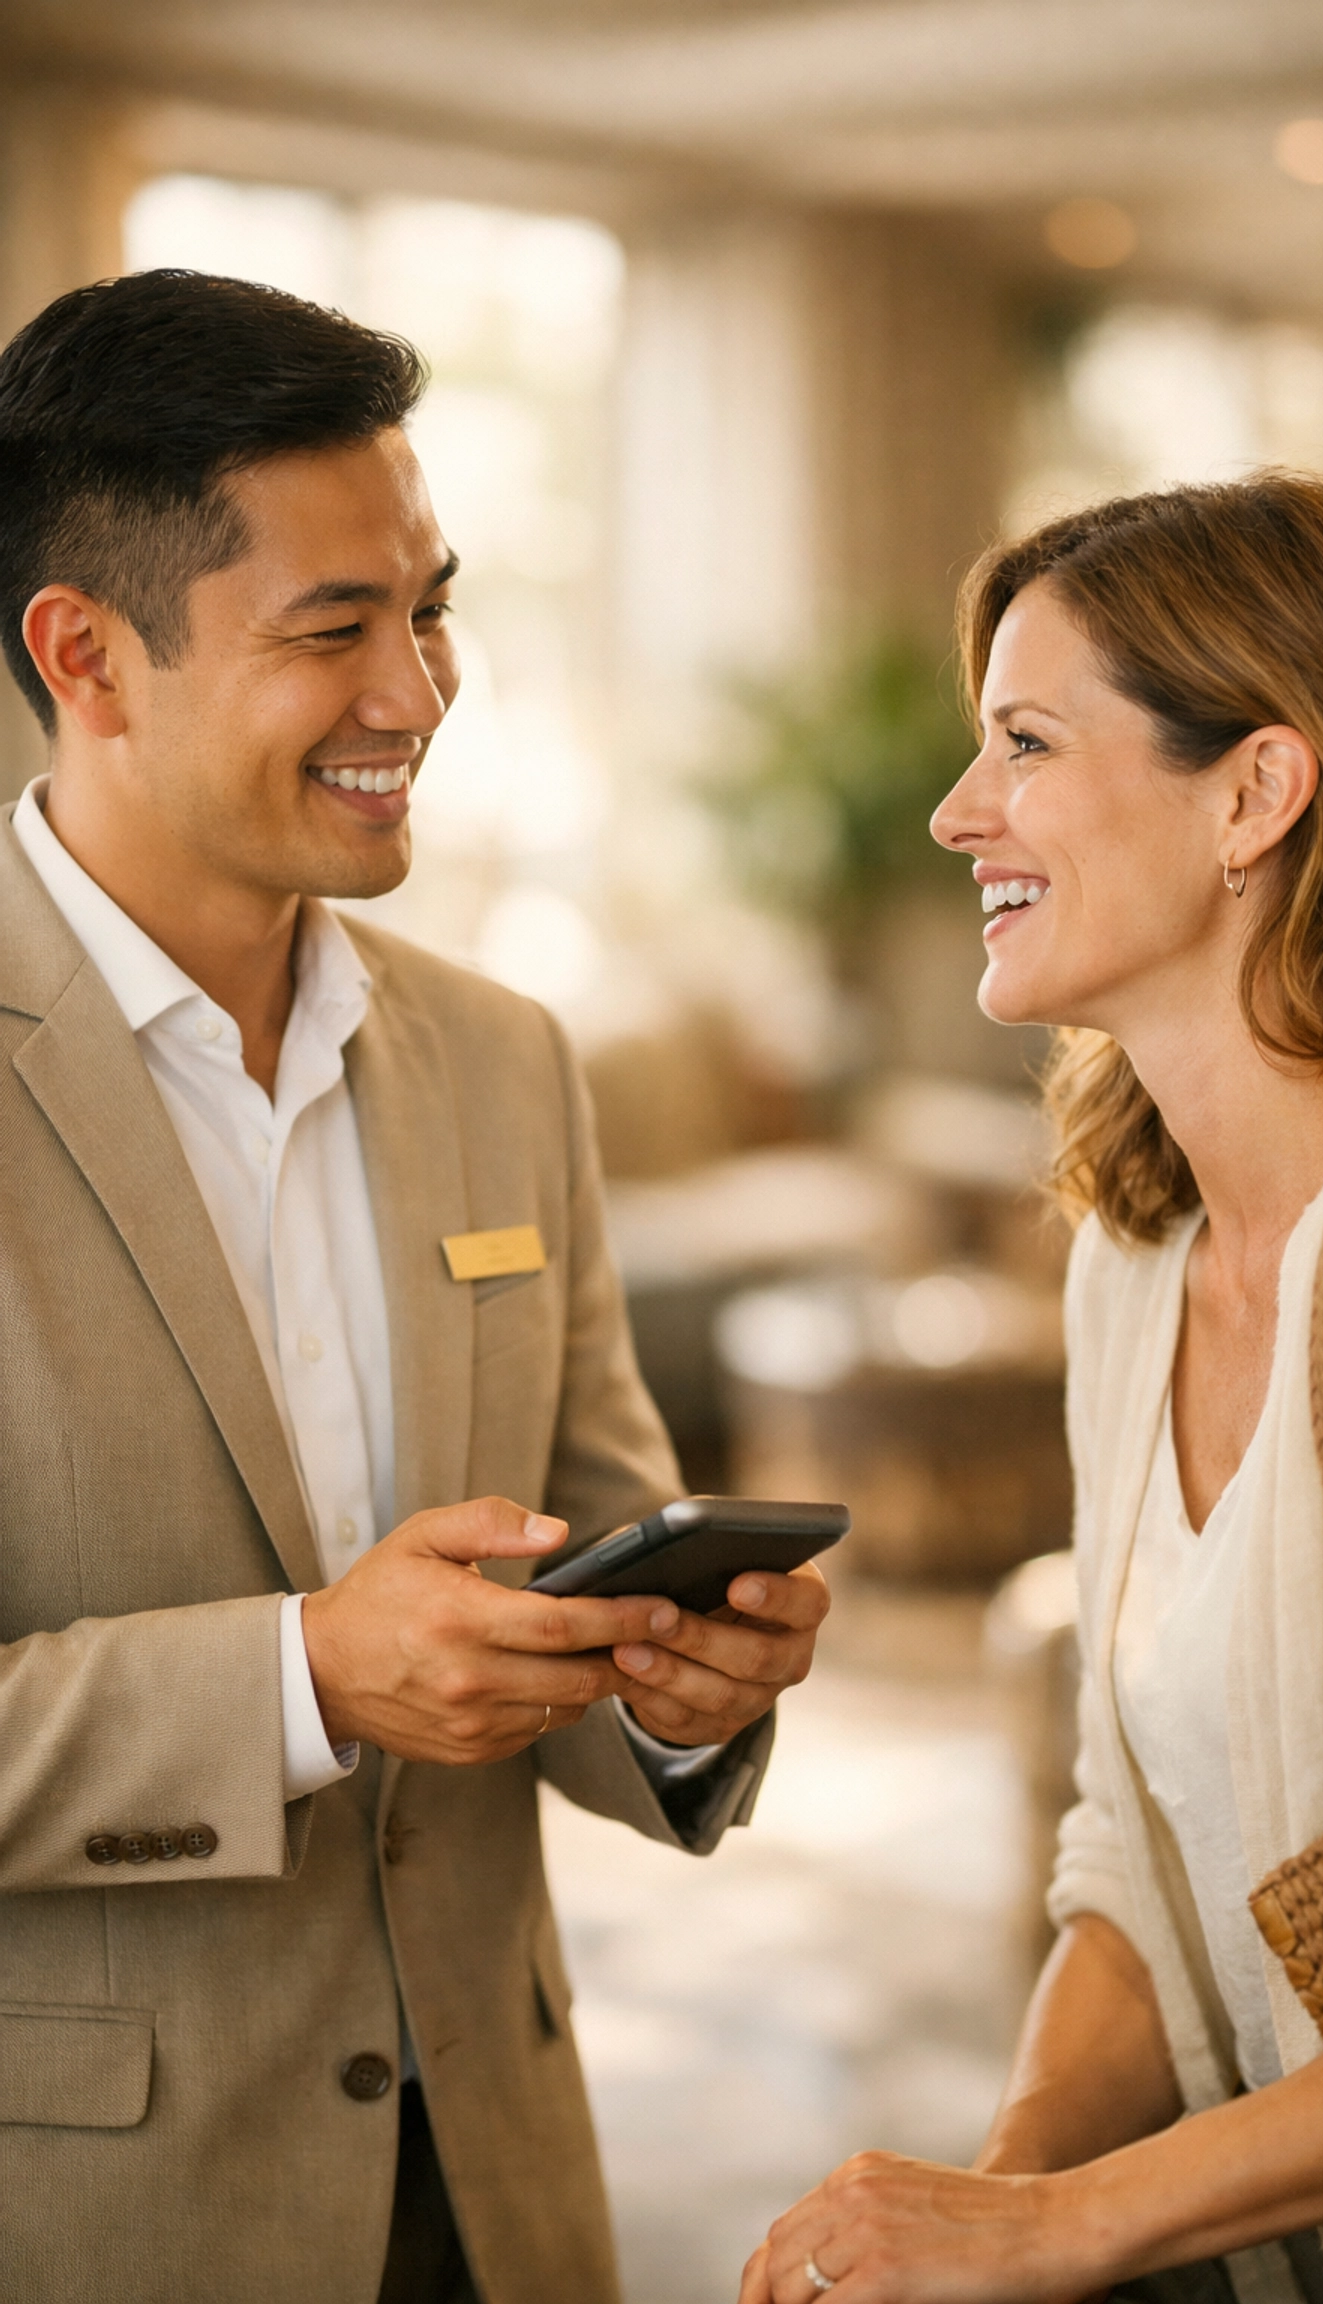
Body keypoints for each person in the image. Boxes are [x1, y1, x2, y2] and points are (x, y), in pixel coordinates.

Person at [0, 267, 829, 2304]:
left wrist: (677, 1697)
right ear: (84, 656)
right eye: (333, 630)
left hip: (501, 2184)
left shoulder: (502, 1059)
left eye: (430, 606)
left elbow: (592, 1532)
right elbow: (347, 1669)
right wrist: (302, 1681)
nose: (418, 692)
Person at [740, 473, 1323, 2304]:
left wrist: (1068, 2223)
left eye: (1024, 741)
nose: (958, 813)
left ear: (1257, 793)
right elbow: (1131, 1848)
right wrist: (992, 2203)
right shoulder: (1137, 1251)